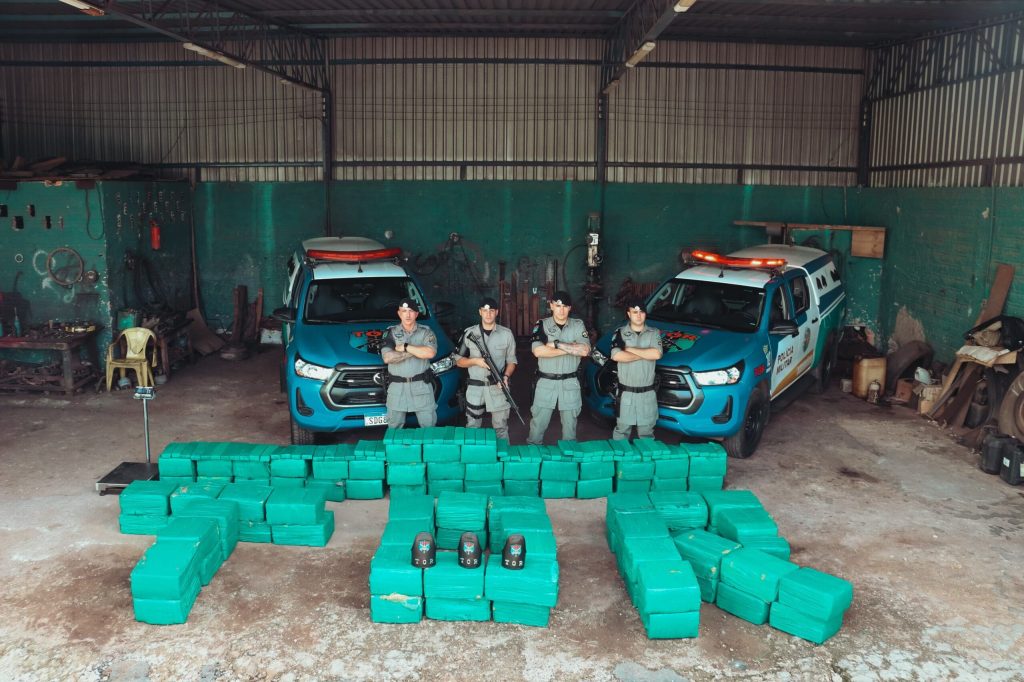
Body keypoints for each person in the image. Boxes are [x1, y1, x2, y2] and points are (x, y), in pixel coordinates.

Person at [527, 290, 591, 444]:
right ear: (551, 306)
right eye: (558, 306)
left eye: (565, 306)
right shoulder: (541, 324)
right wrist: (570, 348)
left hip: (570, 383)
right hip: (546, 383)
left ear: (570, 308)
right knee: (537, 429)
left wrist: (555, 344)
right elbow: (537, 351)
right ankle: (534, 462)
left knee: (570, 432)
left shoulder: (578, 324)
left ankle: (568, 464)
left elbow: (584, 350)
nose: (561, 310)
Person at [456, 297, 518, 440]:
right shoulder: (469, 334)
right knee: (472, 428)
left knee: (501, 428)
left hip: (498, 387)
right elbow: (458, 360)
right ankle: (472, 459)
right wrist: (475, 361)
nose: (488, 314)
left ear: (497, 312)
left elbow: (512, 361)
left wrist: (506, 376)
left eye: (491, 311)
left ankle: (503, 459)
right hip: (475, 388)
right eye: (485, 310)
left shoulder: (506, 334)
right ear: (480, 312)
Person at [609, 297, 663, 440]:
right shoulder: (619, 333)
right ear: (628, 314)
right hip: (626, 393)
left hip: (647, 394)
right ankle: (620, 462)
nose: (638, 316)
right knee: (622, 432)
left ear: (645, 314)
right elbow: (617, 356)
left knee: (647, 434)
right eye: (634, 312)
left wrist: (628, 348)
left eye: (641, 312)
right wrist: (646, 354)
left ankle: (645, 463)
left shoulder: (654, 333)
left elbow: (656, 354)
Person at [381, 298, 438, 429]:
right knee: (394, 429)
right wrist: (416, 351)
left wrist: (406, 347)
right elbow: (388, 357)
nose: (407, 314)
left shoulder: (426, 332)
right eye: (404, 311)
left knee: (428, 428)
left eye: (411, 311)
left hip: (421, 388)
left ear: (417, 314)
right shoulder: (390, 333)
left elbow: (430, 353)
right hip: (397, 389)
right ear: (399, 313)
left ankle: (427, 450)